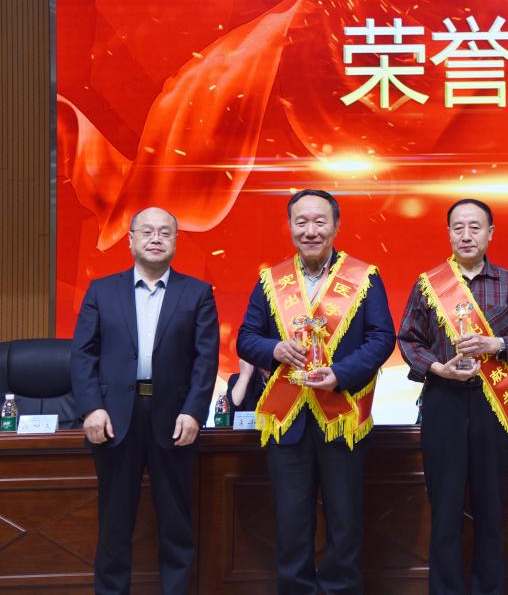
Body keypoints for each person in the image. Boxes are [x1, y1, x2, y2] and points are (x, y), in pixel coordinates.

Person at [236, 189, 395, 595]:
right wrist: (274, 349)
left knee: (345, 520)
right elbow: (246, 338)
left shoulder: (364, 277)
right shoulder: (272, 280)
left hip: (342, 416)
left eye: (320, 221)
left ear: (336, 226)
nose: (310, 230)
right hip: (287, 420)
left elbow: (381, 339)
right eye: (301, 221)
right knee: (291, 521)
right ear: (290, 226)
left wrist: (340, 373)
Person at [70, 206, 219, 595]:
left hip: (174, 419)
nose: (156, 238)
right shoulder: (102, 290)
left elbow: (206, 359)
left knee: (176, 521)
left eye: (165, 232)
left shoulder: (197, 292)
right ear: (131, 239)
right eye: (147, 231)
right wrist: (91, 407)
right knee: (114, 522)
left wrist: (194, 411)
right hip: (115, 417)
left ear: (176, 241)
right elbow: (83, 354)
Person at [397, 198, 508, 595]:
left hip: (494, 405)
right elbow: (408, 340)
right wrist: (436, 368)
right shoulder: (428, 284)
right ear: (448, 233)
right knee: (444, 510)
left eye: (475, 227)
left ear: (490, 233)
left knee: (490, 511)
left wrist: (497, 344)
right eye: (458, 227)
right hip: (443, 401)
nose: (466, 235)